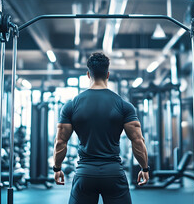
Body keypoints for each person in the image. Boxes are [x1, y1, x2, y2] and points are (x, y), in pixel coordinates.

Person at [52, 52, 149, 204]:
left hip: (85, 173)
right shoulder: (124, 105)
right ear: (108, 74)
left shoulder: (71, 105)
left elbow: (60, 142)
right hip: (114, 173)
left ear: (88, 74)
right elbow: (138, 141)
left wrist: (57, 168)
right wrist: (144, 168)